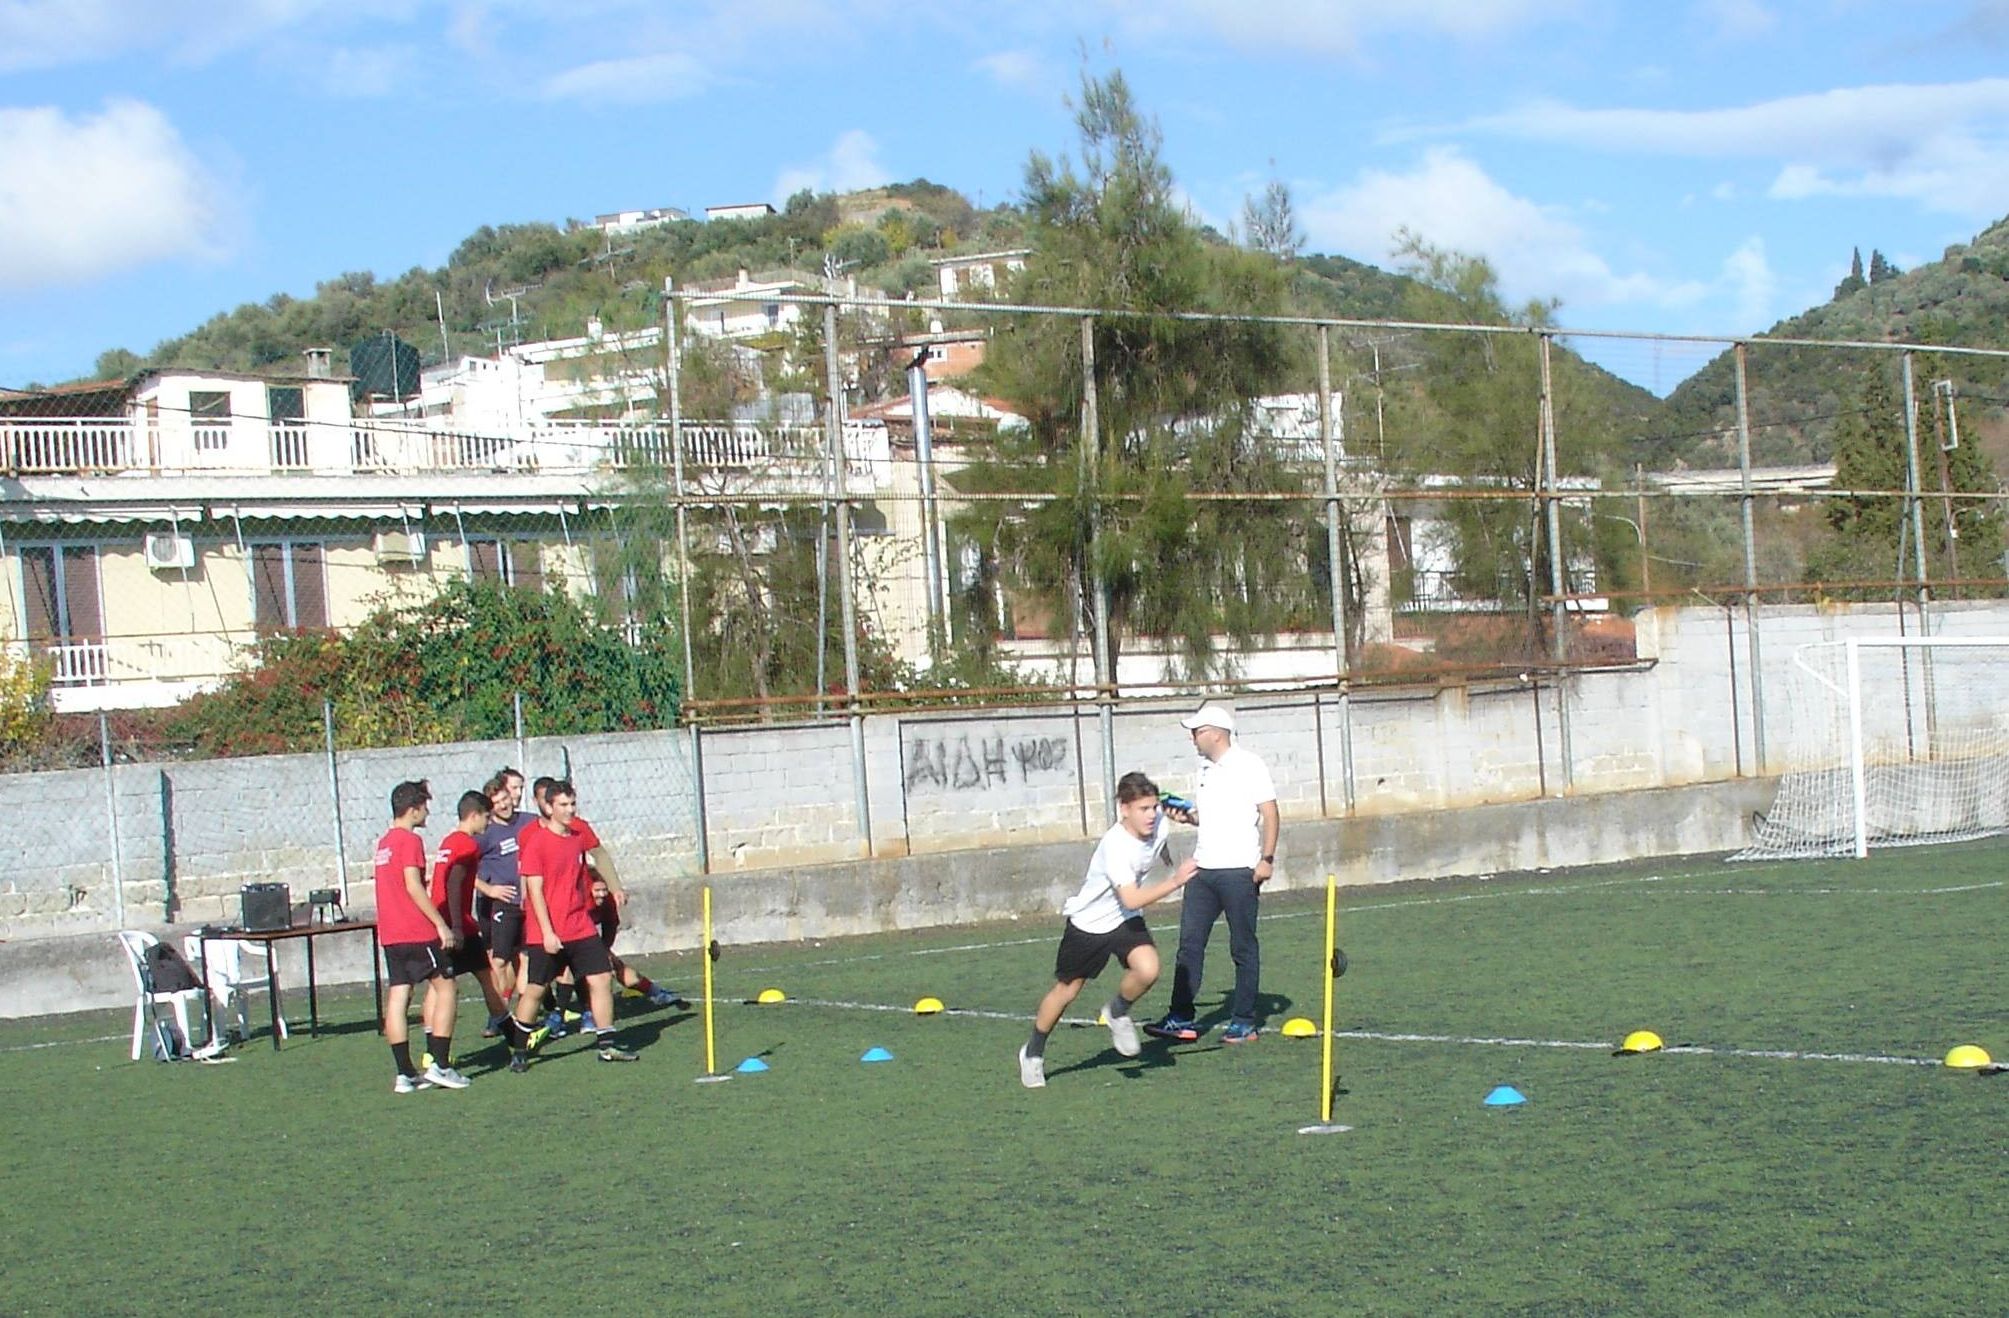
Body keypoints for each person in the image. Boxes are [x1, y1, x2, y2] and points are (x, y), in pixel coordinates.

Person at [1019, 771, 1197, 1089]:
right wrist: (1175, 881)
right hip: (1089, 924)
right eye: (1143, 809)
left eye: (1154, 807)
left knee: (1149, 968)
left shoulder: (1159, 822)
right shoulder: (1115, 846)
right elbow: (1131, 895)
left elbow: (1176, 829)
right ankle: (1033, 1053)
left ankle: (1117, 1012)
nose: (1150, 815)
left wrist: (1189, 814)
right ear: (1124, 808)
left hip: (1125, 918)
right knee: (1067, 991)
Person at [1146, 702, 1279, 1044]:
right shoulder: (1204, 770)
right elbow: (1213, 816)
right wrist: (1187, 817)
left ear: (1216, 733)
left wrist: (1267, 859)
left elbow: (1270, 812)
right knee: (1189, 945)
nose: (1193, 738)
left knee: (1242, 947)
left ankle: (1245, 1020)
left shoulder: (1249, 764)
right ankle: (1180, 1017)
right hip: (1202, 871)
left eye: (1197, 731)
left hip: (1239, 871)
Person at [502, 780, 637, 1069]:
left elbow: (593, 861)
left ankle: (607, 1045)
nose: (570, 810)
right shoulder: (536, 842)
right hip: (548, 931)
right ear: (549, 807)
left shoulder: (577, 837)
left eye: (572, 804)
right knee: (536, 990)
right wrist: (548, 933)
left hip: (580, 925)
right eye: (563, 805)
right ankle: (519, 1051)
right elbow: (535, 892)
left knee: (601, 978)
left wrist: (610, 886)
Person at [372, 780, 471, 1093]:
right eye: (425, 805)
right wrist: (440, 925)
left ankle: (405, 1074)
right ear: (413, 809)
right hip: (414, 930)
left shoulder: (384, 842)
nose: (428, 811)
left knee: (400, 996)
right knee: (446, 987)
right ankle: (440, 1065)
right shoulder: (408, 840)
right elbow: (413, 886)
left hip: (390, 933)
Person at [422, 790, 505, 1068]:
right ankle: (514, 1038)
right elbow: (454, 883)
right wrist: (457, 925)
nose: (488, 824)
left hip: (441, 922)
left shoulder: (449, 841)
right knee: (484, 980)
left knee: (439, 987)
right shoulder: (468, 845)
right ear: (473, 815)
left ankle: (430, 1050)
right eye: (486, 817)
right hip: (457, 926)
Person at [475, 768, 533, 1033]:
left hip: (528, 902)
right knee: (499, 961)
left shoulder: (528, 822)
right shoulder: (485, 834)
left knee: (526, 956)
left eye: (506, 799)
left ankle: (523, 1015)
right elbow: (462, 869)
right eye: (497, 803)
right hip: (502, 904)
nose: (505, 805)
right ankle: (497, 1014)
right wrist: (489, 890)